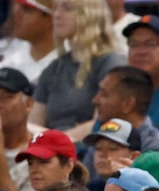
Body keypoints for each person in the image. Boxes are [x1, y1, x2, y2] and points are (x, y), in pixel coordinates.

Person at [31, 0, 122, 132]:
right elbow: (33, 124)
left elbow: (105, 125)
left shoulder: (110, 64)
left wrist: (57, 141)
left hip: (90, 148)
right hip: (51, 148)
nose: (56, 15)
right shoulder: (53, 69)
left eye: (67, 8)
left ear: (90, 14)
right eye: (55, 8)